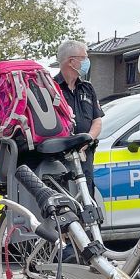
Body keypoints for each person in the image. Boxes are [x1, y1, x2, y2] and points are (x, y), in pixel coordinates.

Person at [54, 40, 104, 196]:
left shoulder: (87, 87)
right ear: (71, 61)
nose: (87, 62)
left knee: (87, 199)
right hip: (60, 159)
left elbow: (97, 120)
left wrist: (86, 140)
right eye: (84, 57)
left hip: (85, 157)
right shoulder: (50, 88)